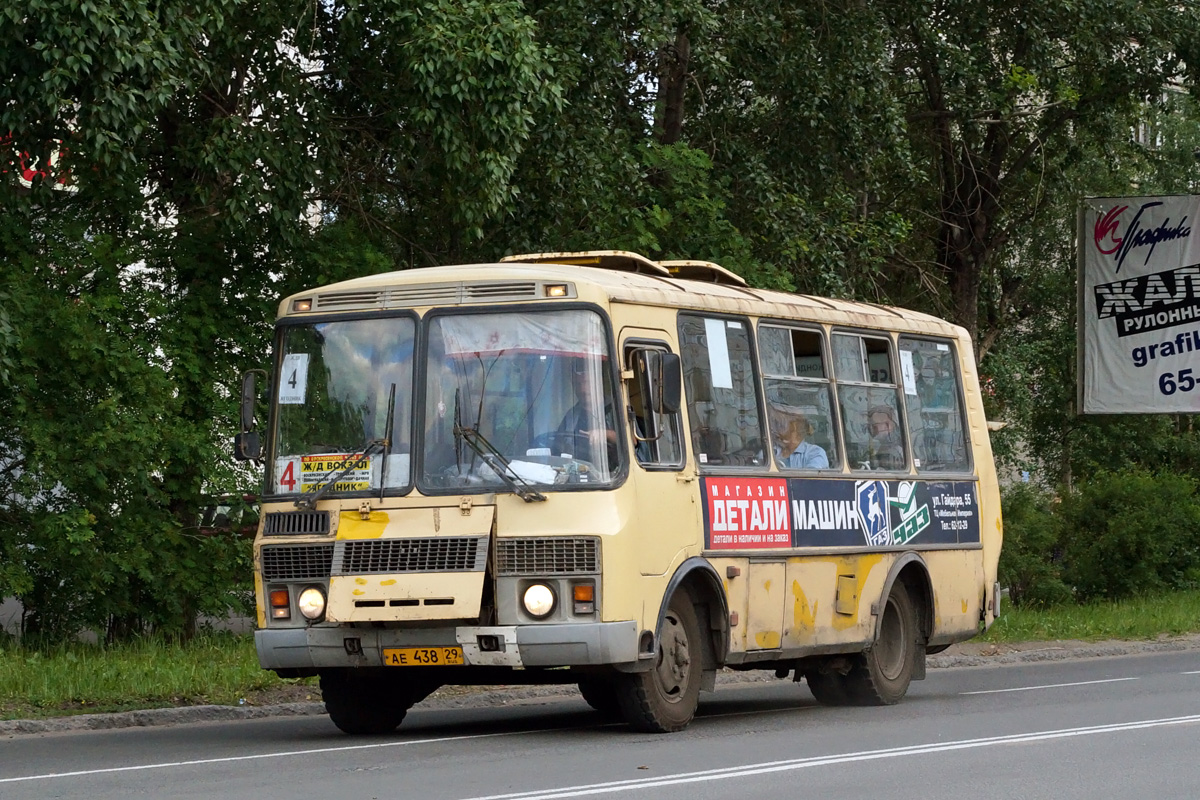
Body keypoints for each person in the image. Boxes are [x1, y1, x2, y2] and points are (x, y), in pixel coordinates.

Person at [548, 358, 616, 465]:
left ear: (598, 383)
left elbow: (633, 442)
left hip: (612, 473)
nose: (582, 389)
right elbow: (557, 446)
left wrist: (605, 434)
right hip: (579, 472)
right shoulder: (572, 415)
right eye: (577, 384)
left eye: (586, 383)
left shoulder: (615, 409)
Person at [866, 404, 905, 469]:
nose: (871, 430)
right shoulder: (883, 447)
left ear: (888, 426)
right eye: (869, 426)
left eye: (874, 426)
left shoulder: (898, 450)